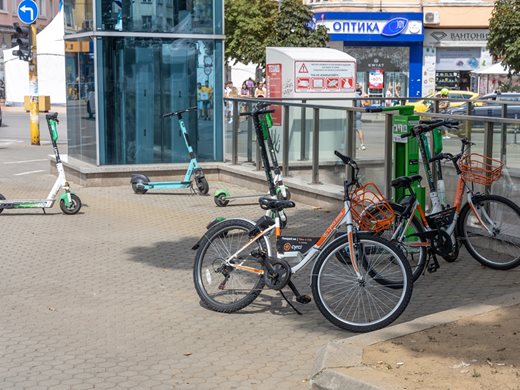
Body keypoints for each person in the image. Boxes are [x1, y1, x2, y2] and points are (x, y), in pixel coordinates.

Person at [354, 83, 367, 151]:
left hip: (352, 112)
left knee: (346, 128)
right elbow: (363, 104)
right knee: (359, 129)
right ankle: (362, 144)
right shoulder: (360, 95)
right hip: (358, 112)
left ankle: (342, 145)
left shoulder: (353, 94)